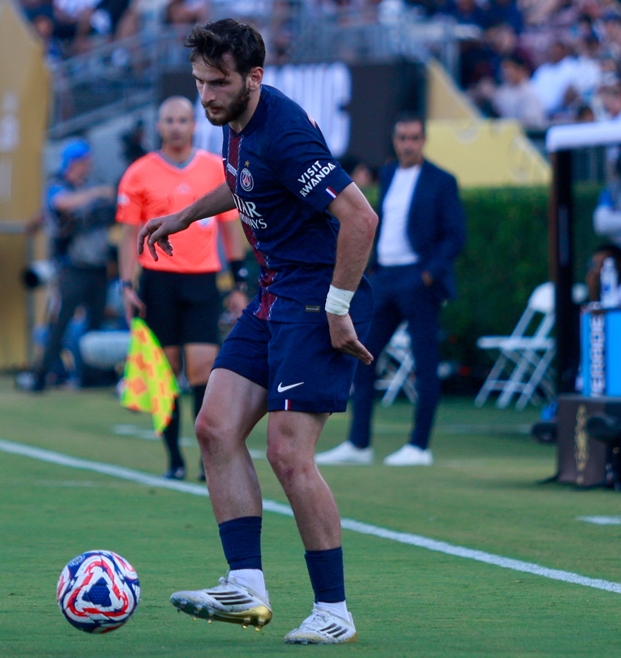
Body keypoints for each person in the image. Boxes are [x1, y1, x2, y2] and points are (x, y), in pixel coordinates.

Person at [138, 19, 377, 644]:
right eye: (199, 83)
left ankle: (334, 611)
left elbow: (360, 217)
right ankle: (245, 585)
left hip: (315, 297)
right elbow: (245, 181)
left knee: (287, 453)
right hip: (276, 293)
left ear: (254, 77)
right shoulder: (239, 125)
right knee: (214, 427)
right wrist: (186, 214)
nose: (206, 97)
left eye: (218, 84)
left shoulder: (287, 131)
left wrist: (337, 305)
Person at [317, 114, 466, 468]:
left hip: (419, 278)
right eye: (402, 138)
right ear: (395, 140)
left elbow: (455, 235)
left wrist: (429, 275)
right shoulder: (387, 175)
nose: (408, 144)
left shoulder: (442, 181)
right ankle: (359, 443)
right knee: (362, 355)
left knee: (425, 363)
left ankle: (419, 446)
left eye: (414, 138)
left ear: (424, 140)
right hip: (385, 278)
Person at [117, 95, 246, 481]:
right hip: (157, 282)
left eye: (183, 120)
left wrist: (238, 281)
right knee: (166, 370)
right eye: (169, 120)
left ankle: (208, 455)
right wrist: (127, 284)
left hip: (202, 280)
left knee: (204, 368)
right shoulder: (139, 173)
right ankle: (174, 458)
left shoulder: (214, 169)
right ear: (159, 126)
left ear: (195, 125)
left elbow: (230, 227)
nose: (176, 126)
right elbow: (128, 235)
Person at [26, 139, 116, 391]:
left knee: (95, 324)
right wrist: (96, 195)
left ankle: (92, 374)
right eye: (84, 161)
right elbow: (60, 203)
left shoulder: (88, 186)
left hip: (97, 266)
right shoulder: (59, 186)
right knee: (60, 321)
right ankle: (41, 374)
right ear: (74, 162)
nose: (88, 165)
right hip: (72, 267)